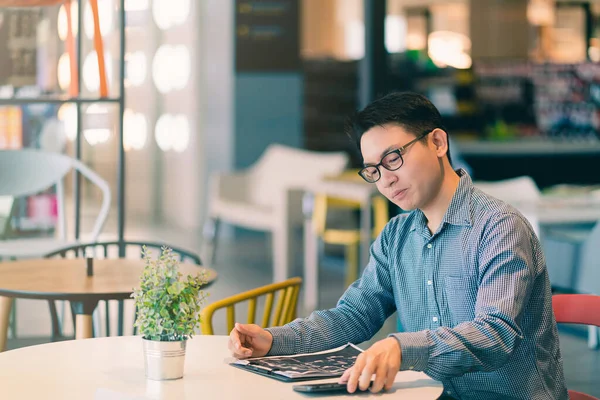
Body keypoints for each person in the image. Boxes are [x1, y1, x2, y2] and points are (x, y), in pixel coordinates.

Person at [228, 92, 568, 400]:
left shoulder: (499, 227)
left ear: (437, 142)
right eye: (373, 170)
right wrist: (274, 340)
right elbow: (353, 315)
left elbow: (495, 334)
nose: (386, 179)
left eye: (393, 158)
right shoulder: (396, 235)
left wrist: (401, 348)